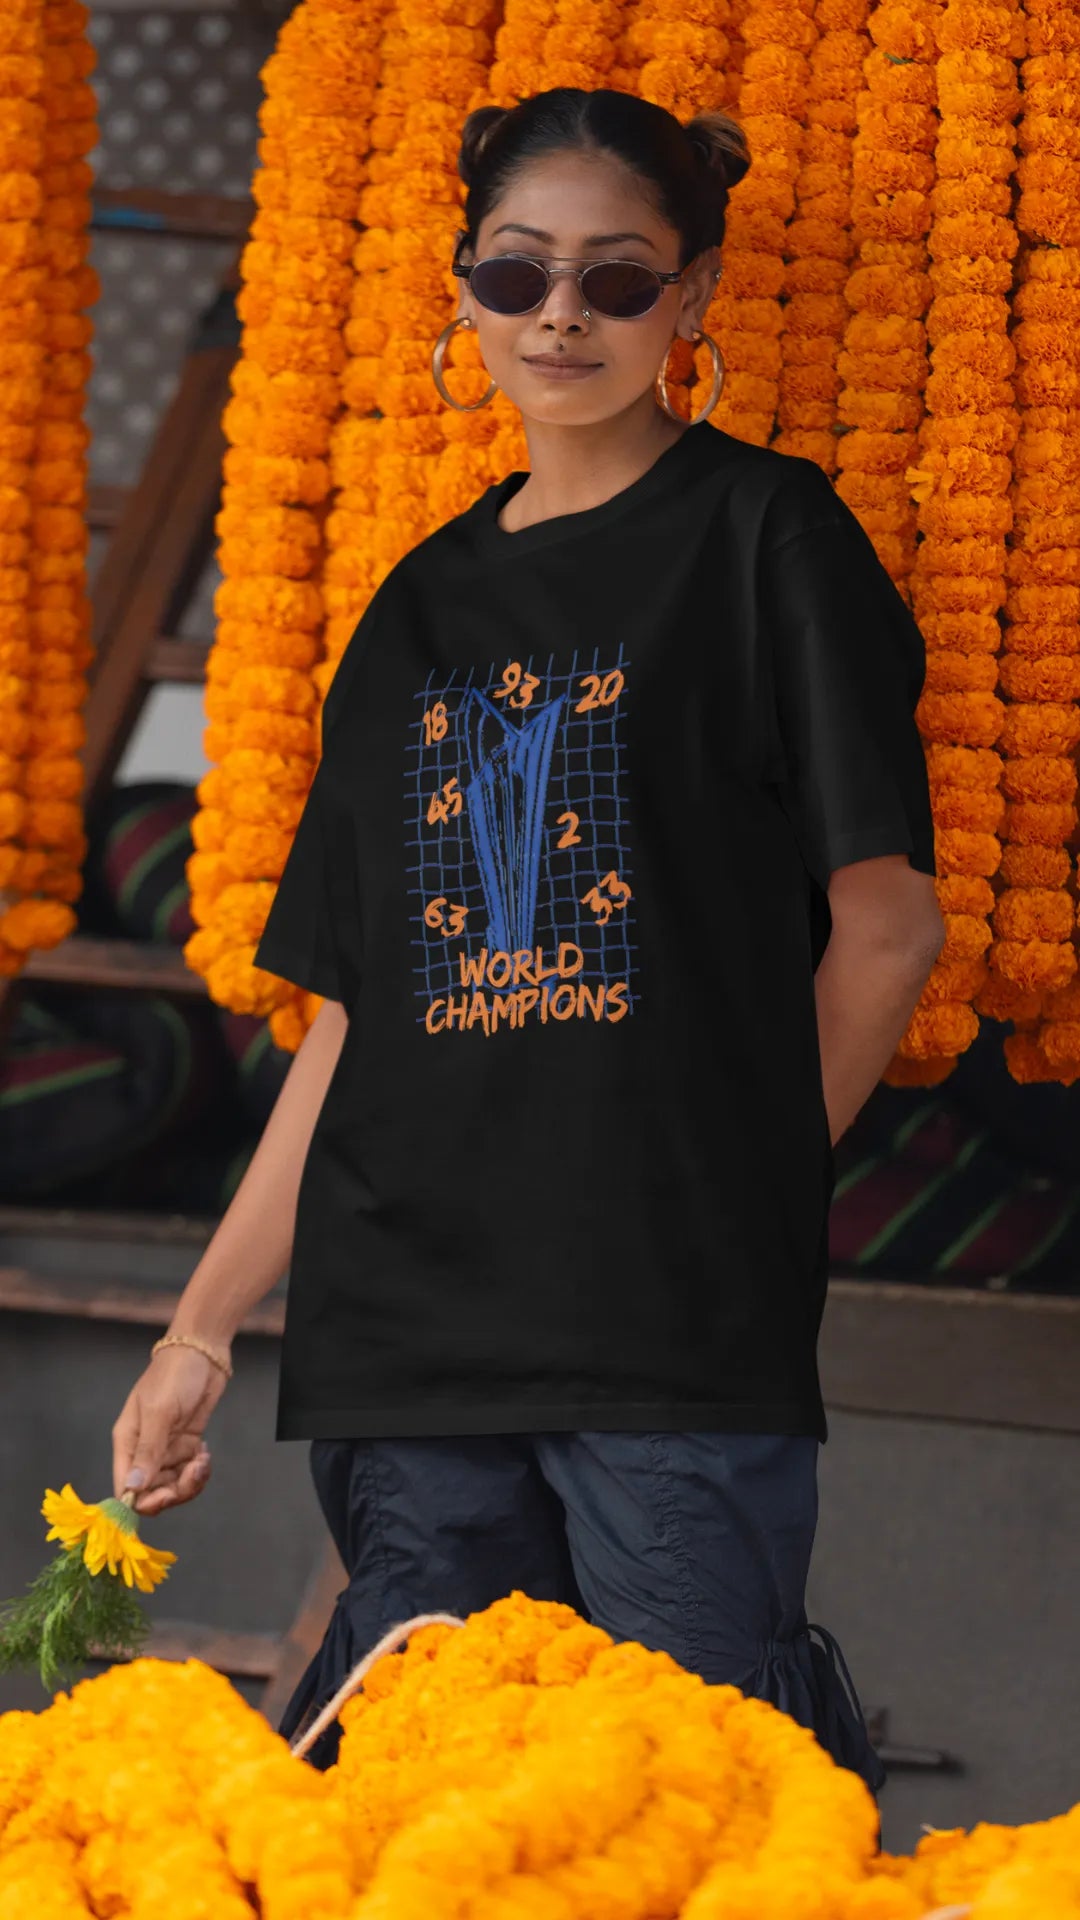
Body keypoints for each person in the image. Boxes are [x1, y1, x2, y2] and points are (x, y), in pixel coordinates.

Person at [112, 88, 945, 1793]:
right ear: (465, 291)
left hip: (668, 1313)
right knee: (440, 1810)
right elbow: (352, 1023)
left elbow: (887, 931)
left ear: (690, 301)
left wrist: (747, 1183)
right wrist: (199, 1330)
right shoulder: (414, 607)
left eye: (617, 280)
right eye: (519, 273)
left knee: (687, 1804)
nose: (560, 313)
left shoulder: (768, 540)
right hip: (406, 1321)